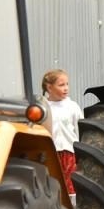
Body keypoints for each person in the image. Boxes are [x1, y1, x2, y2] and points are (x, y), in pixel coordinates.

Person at [41, 69, 82, 199]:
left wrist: (80, 153)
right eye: (61, 85)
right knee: (52, 184)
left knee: (71, 184)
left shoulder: (72, 106)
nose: (66, 88)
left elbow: (79, 129)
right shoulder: (43, 107)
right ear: (49, 87)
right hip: (51, 153)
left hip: (69, 152)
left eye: (67, 84)